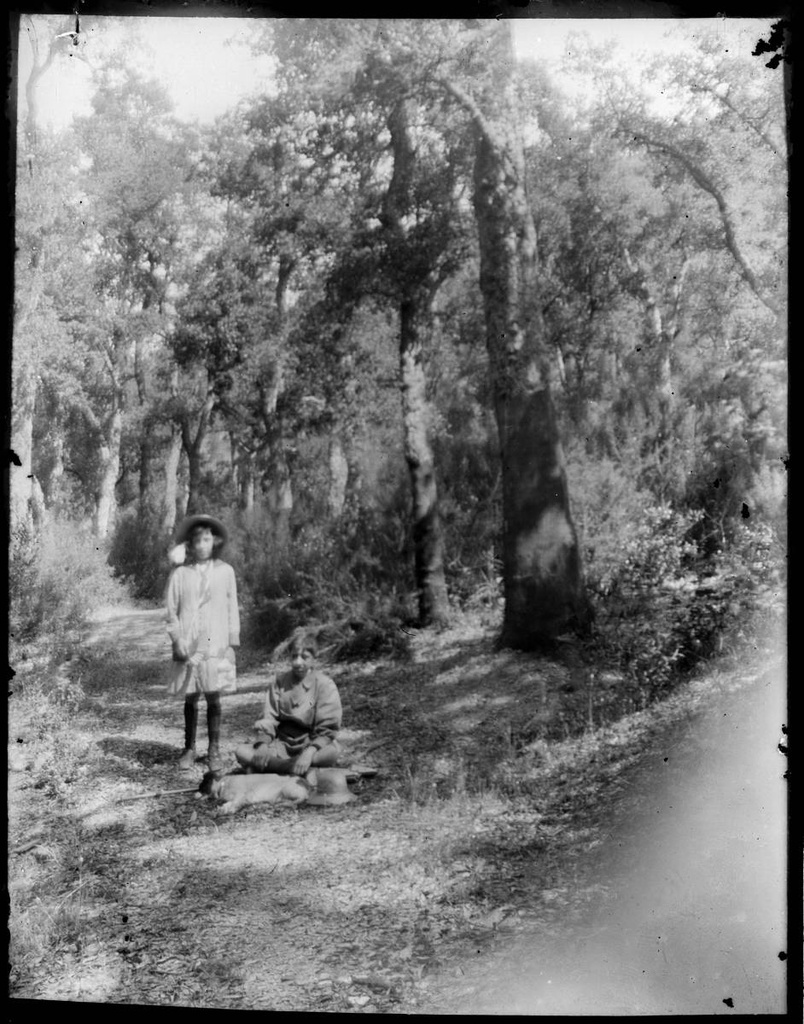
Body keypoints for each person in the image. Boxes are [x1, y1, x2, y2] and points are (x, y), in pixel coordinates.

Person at [165, 514, 240, 773]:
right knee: (191, 695)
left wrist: (232, 641)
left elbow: (232, 607)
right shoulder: (181, 574)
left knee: (213, 693)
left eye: (207, 539)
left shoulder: (225, 571)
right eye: (197, 540)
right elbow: (171, 611)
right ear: (190, 544)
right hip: (190, 643)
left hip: (215, 641)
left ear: (215, 542)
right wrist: (177, 640)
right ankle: (189, 748)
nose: (202, 545)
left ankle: (214, 749)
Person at [235, 632, 342, 776]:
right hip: (281, 745)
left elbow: (328, 729)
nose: (298, 662)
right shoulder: (279, 682)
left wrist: (310, 752)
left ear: (314, 659)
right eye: (294, 656)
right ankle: (296, 769)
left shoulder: (324, 685)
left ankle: (273, 768)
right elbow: (268, 717)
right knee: (241, 752)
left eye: (304, 657)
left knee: (332, 753)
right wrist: (263, 745)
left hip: (310, 743)